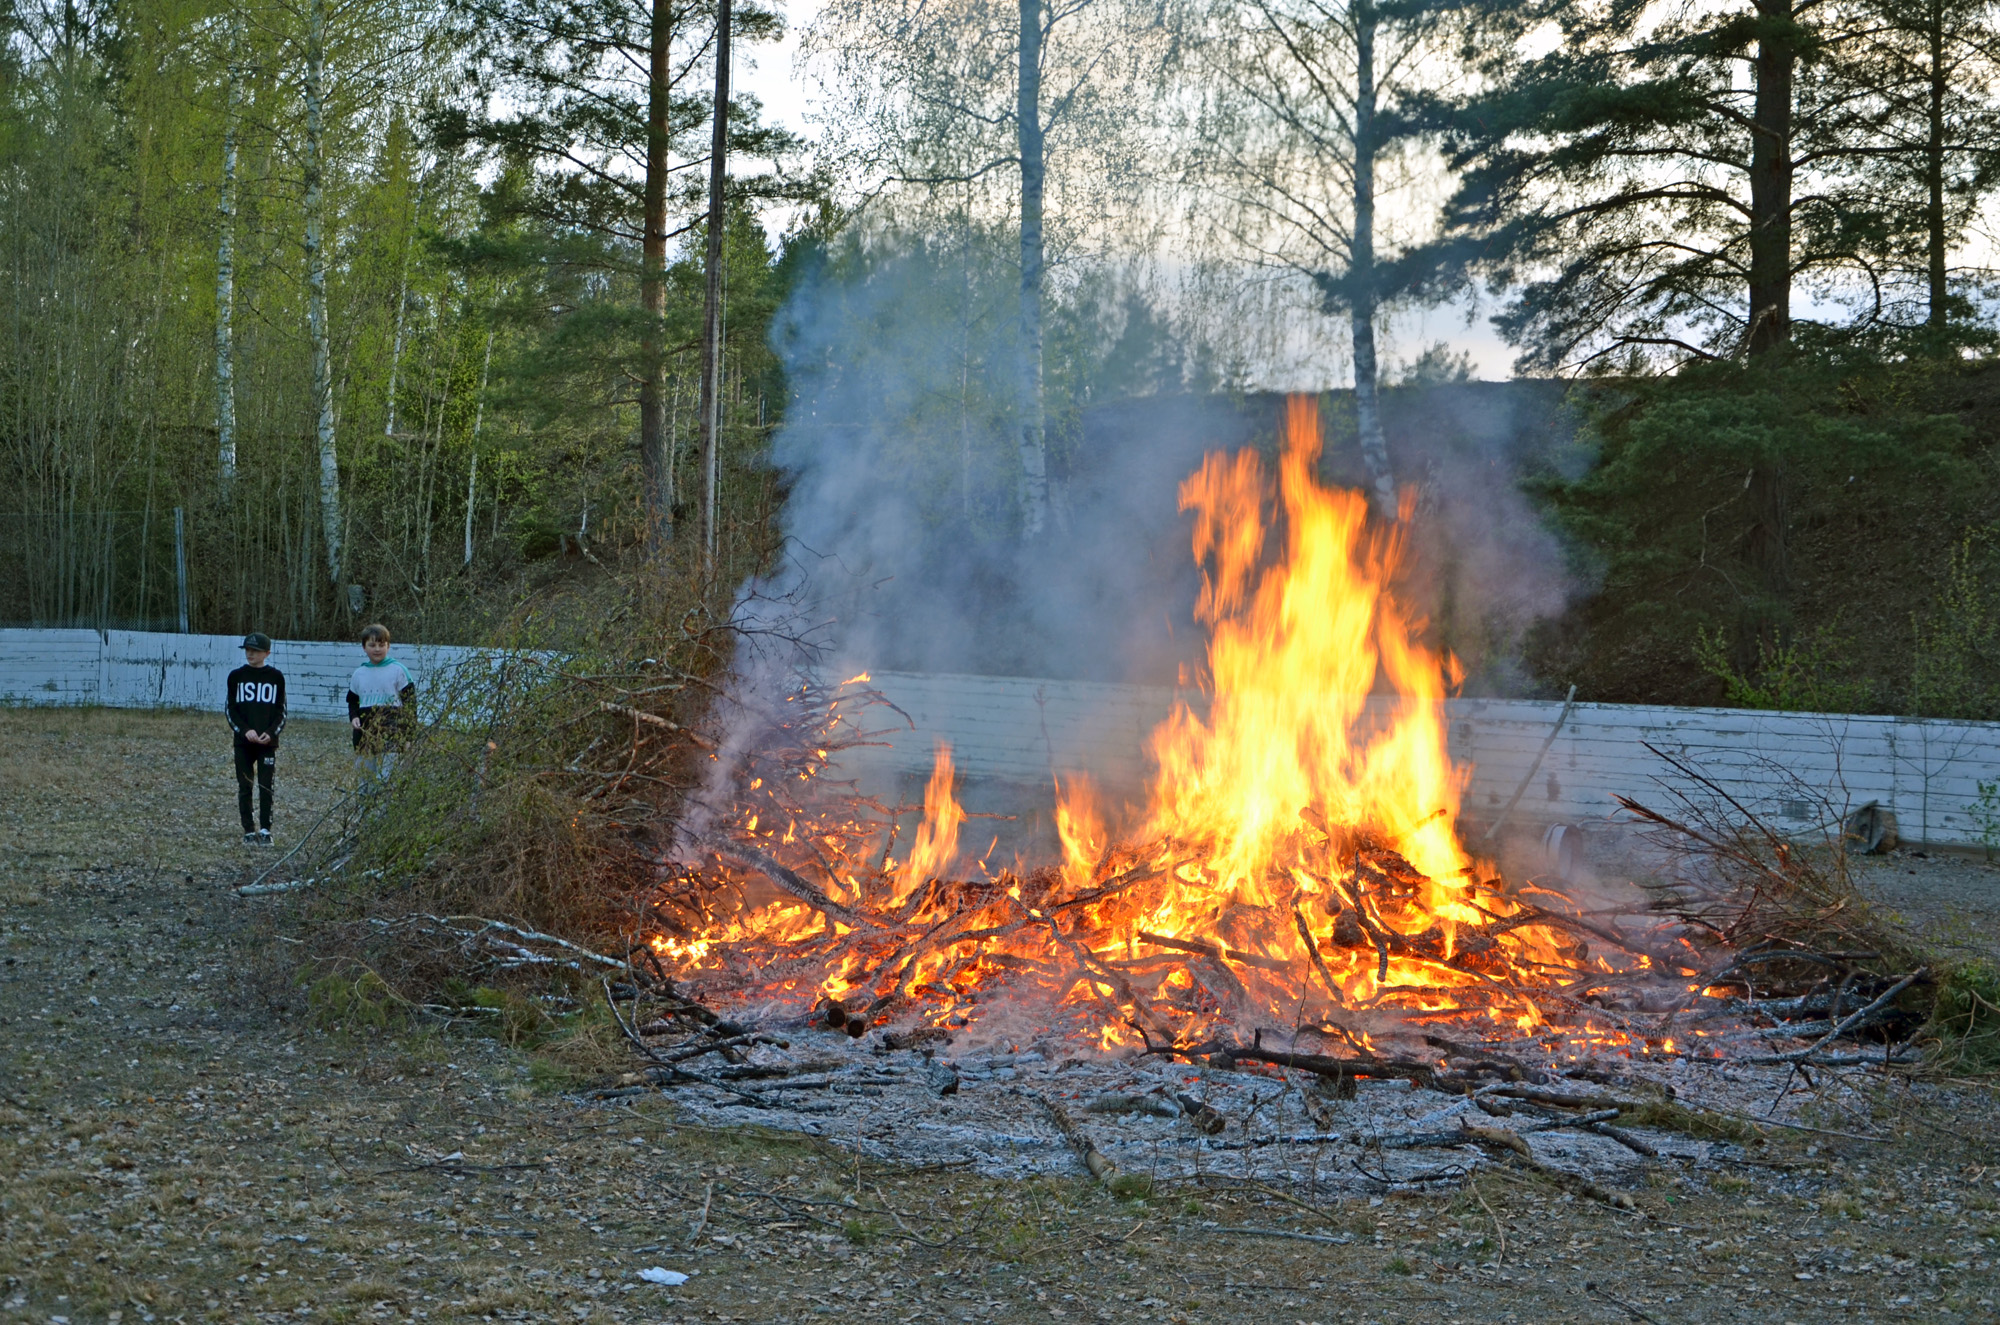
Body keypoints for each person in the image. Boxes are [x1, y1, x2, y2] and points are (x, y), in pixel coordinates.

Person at [224, 632, 286, 846]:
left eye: (256, 650)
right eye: (248, 650)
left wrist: (270, 733)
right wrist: (245, 731)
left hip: (267, 743)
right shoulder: (236, 676)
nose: (251, 654)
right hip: (243, 743)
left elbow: (281, 712)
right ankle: (248, 829)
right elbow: (231, 710)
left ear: (266, 653)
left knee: (266, 785)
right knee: (245, 785)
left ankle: (266, 829)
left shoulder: (276, 677)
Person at [347, 623, 417, 786]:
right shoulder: (359, 674)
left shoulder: (399, 670)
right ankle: (364, 810)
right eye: (372, 645)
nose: (377, 649)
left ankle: (385, 811)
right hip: (365, 734)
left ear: (388, 646)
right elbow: (352, 700)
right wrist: (354, 716)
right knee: (365, 781)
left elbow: (410, 705)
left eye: (381, 645)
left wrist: (408, 736)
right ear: (364, 647)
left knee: (387, 780)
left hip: (392, 732)